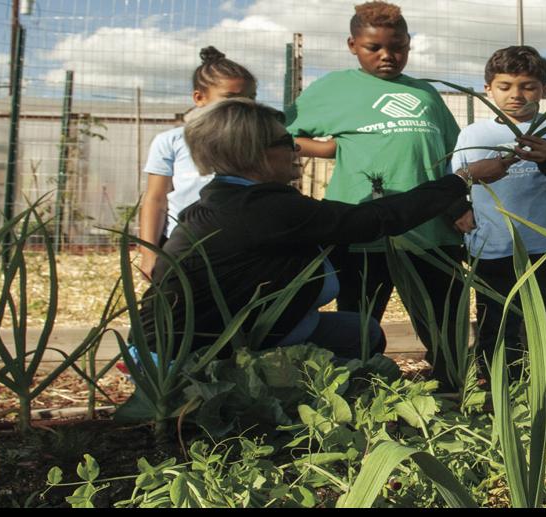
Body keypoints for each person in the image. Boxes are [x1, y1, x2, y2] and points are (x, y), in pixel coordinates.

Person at [145, 98, 511, 359]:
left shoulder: (223, 200)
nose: (296, 150)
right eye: (286, 142)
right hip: (206, 352)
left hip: (192, 339)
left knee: (359, 331)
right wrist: (461, 178)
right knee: (361, 342)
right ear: (254, 153)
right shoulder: (264, 209)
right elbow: (373, 221)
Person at [283, 2, 470, 383]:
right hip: (362, 229)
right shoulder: (334, 89)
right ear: (353, 45)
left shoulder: (425, 95)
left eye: (398, 46)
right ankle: (363, 387)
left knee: (444, 315)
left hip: (431, 230)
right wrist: (333, 148)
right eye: (374, 48)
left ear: (409, 44)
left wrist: (458, 205)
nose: (388, 55)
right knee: (360, 321)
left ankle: (453, 388)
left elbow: (451, 154)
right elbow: (283, 136)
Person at [452, 45, 546, 389]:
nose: (516, 95)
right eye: (505, 86)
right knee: (497, 327)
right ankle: (503, 396)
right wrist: (458, 210)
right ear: (487, 89)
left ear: (544, 91)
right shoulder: (474, 134)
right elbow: (457, 183)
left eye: (528, 86)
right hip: (493, 248)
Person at [138, 47, 256, 281]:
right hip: (183, 245)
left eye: (250, 98)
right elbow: (155, 198)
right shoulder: (170, 141)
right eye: (230, 98)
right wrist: (148, 252)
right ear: (199, 98)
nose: (242, 105)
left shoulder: (258, 142)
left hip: (240, 244)